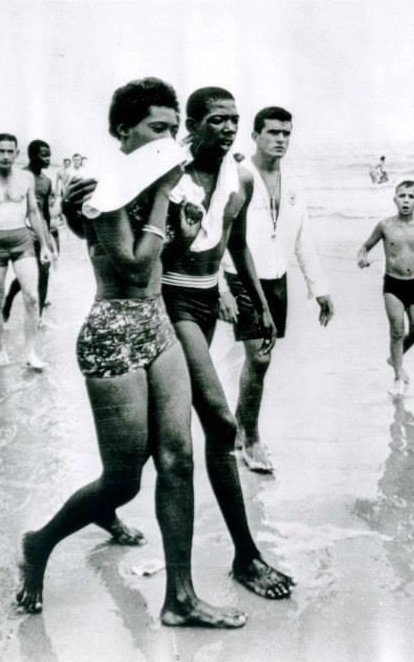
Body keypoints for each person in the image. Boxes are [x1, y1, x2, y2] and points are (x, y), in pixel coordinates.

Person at [16, 78, 245, 628]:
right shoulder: (102, 185)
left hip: (157, 325)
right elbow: (136, 267)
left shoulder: (148, 180)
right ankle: (38, 543)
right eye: (158, 128)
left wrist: (185, 224)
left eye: (173, 128)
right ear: (124, 129)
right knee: (123, 480)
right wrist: (166, 193)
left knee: (179, 459)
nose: (171, 139)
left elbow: (175, 249)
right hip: (113, 332)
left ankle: (180, 597)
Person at [64, 86, 295, 600]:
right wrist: (69, 207)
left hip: (210, 299)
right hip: (172, 305)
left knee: (152, 450)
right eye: (217, 120)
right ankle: (245, 555)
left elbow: (234, 244)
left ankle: (107, 506)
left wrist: (255, 300)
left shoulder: (240, 177)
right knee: (219, 420)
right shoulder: (166, 172)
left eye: (235, 119)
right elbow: (113, 238)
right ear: (193, 125)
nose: (229, 128)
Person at [219, 106, 334, 474]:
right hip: (239, 275)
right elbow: (218, 235)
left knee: (260, 362)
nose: (281, 139)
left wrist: (320, 289)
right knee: (260, 358)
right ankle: (251, 440)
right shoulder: (237, 176)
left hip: (277, 277)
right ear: (255, 136)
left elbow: (303, 240)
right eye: (272, 132)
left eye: (286, 133)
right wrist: (220, 286)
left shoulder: (295, 184)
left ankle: (239, 426)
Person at [0, 133, 54, 369]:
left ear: (17, 153)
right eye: (1, 151)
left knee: (32, 297)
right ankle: (0, 349)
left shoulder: (25, 178)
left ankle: (31, 353)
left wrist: (45, 245)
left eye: (10, 151)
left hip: (21, 239)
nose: (6, 156)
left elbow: (34, 213)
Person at [357, 180, 414, 396]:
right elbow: (365, 247)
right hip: (393, 285)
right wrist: (362, 257)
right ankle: (398, 376)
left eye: (411, 197)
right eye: (402, 196)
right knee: (397, 330)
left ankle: (394, 358)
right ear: (395, 200)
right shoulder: (385, 226)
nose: (406, 200)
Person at [1, 140, 59, 324]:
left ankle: (38, 318)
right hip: (23, 230)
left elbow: (46, 213)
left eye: (49, 154)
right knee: (27, 275)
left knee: (44, 274)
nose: (48, 158)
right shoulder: (20, 176)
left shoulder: (47, 181)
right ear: (32, 155)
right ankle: (9, 298)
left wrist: (49, 239)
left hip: (41, 232)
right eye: (44, 154)